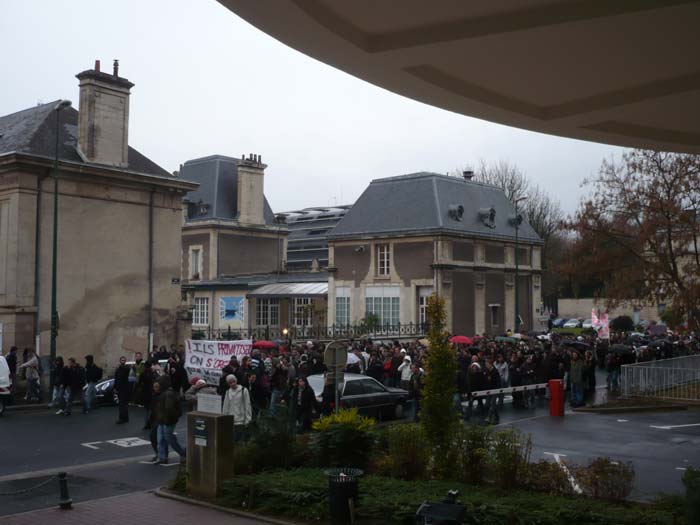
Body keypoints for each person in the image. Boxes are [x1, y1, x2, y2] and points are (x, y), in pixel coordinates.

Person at [154, 380, 186, 465]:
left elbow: (169, 409)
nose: (155, 389)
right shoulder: (162, 394)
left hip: (167, 420)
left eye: (157, 387)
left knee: (168, 438)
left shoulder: (167, 394)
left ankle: (183, 453)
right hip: (162, 420)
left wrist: (167, 420)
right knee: (161, 439)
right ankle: (162, 457)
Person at [222, 374, 251, 441]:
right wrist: (224, 419)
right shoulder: (227, 392)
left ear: (236, 380)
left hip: (241, 420)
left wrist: (248, 419)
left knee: (239, 439)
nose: (232, 384)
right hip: (231, 419)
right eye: (230, 383)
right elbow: (225, 406)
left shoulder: (244, 390)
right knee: (231, 440)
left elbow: (247, 405)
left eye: (233, 381)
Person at [483, 359, 501, 425]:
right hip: (489, 390)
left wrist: (498, 390)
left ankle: (488, 418)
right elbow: (485, 380)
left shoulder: (495, 371)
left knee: (492, 403)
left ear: (490, 364)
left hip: (495, 389)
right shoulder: (486, 371)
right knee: (488, 404)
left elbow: (498, 381)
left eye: (487, 364)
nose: (486, 366)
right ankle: (497, 417)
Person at [114, 356, 131, 423]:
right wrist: (115, 388)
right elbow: (116, 379)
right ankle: (124, 417)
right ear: (120, 361)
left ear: (125, 361)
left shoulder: (126, 368)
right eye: (122, 360)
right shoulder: (118, 370)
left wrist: (119, 366)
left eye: (124, 360)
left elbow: (126, 370)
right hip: (119, 388)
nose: (123, 361)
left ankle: (123, 418)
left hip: (124, 389)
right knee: (121, 404)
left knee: (123, 404)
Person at [140, 361, 156, 429]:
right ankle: (151, 423)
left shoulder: (143, 373)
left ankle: (146, 424)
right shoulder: (152, 373)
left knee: (146, 410)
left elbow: (139, 382)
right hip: (152, 393)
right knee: (152, 409)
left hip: (145, 393)